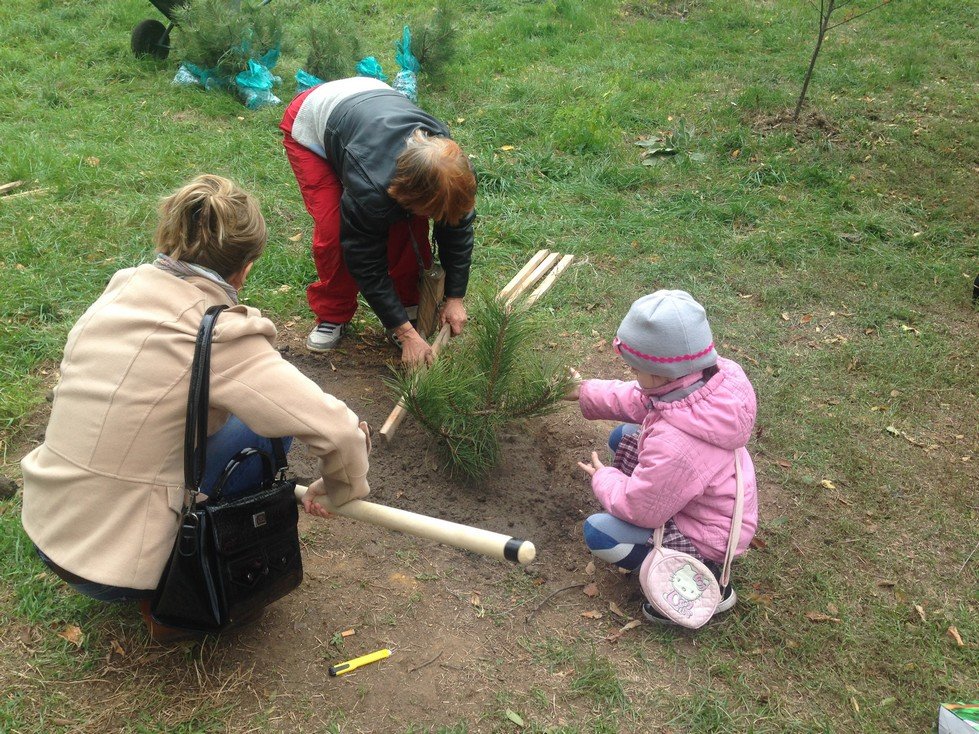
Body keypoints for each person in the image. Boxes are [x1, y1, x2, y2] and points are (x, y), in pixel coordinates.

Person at [20, 175, 371, 640]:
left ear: (171, 238)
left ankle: (147, 563)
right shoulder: (216, 334)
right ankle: (173, 597)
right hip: (110, 568)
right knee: (269, 430)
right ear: (245, 268)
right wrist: (338, 488)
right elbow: (339, 432)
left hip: (48, 523)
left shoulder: (121, 290)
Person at [566, 290, 758, 623]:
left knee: (600, 534)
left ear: (658, 372)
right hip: (713, 505)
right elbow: (637, 398)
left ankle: (701, 579)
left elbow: (641, 510)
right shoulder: (705, 381)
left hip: (707, 537)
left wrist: (604, 478)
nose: (633, 375)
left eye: (635, 369)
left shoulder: (676, 444)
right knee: (623, 436)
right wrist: (584, 391)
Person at [279, 76, 477, 365]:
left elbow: (457, 231)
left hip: (369, 108)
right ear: (407, 193)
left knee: (408, 228)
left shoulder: (453, 172)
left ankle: (407, 307)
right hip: (313, 121)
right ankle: (333, 313)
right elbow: (365, 259)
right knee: (335, 231)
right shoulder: (371, 189)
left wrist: (455, 298)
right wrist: (406, 335)